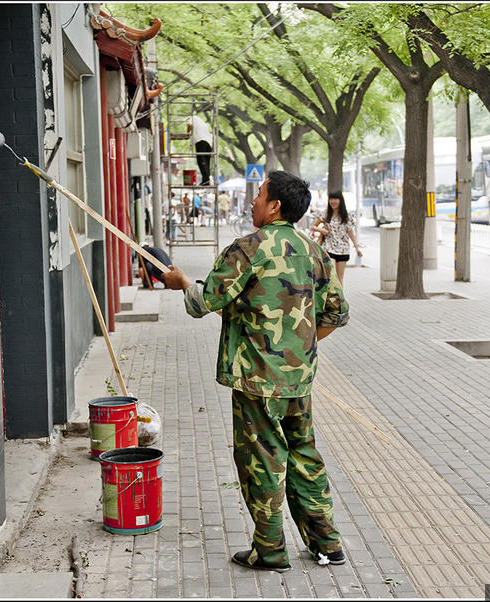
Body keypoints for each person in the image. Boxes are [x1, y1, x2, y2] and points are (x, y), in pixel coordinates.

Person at [163, 171, 349, 573]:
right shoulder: (314, 251)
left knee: (261, 462)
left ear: (275, 206)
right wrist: (296, 349)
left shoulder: (249, 248)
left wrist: (180, 283)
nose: (252, 201)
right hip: (299, 380)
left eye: (259, 194)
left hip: (257, 382)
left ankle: (269, 551)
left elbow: (203, 302)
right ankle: (327, 544)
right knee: (304, 457)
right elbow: (337, 313)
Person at [310, 191, 362, 285]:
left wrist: (357, 248)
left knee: (339, 278)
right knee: (332, 275)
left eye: (335, 199)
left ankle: (340, 299)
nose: (333, 201)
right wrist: (322, 230)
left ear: (340, 200)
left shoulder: (346, 216)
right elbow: (313, 226)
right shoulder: (325, 214)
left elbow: (350, 233)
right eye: (331, 199)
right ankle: (332, 298)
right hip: (329, 248)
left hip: (343, 250)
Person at [188, 115, 213, 186]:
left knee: (201, 160)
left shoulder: (192, 118)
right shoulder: (203, 123)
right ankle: (206, 180)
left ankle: (206, 180)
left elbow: (189, 126)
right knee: (206, 162)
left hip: (200, 141)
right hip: (209, 143)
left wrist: (188, 132)